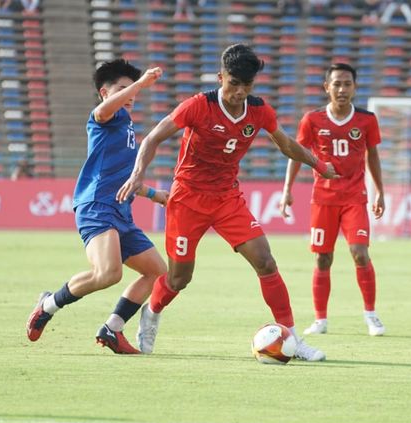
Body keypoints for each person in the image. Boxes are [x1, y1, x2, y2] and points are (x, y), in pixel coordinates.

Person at [116, 43, 338, 361]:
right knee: (179, 278)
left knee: (266, 261)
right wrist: (139, 175)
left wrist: (319, 166)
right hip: (188, 199)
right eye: (233, 84)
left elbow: (287, 144)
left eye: (246, 86)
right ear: (221, 77)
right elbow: (152, 138)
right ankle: (151, 311)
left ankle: (292, 338)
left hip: (227, 199)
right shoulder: (197, 106)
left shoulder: (259, 110)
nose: (239, 92)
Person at [26, 59, 169, 354]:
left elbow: (126, 178)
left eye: (132, 90)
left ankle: (113, 328)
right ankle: (48, 305)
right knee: (108, 274)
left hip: (121, 211)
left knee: (157, 270)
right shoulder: (101, 117)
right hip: (96, 206)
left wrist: (154, 194)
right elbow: (102, 111)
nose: (130, 94)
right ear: (104, 93)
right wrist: (141, 83)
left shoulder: (127, 127)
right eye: (121, 89)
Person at [279, 63, 386, 337]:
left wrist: (380, 192)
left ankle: (371, 316)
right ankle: (320, 320)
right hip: (323, 200)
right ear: (327, 87)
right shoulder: (312, 120)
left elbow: (372, 156)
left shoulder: (367, 120)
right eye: (336, 83)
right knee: (323, 259)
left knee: (360, 254)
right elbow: (297, 153)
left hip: (354, 198)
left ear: (354, 87)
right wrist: (287, 189)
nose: (342, 89)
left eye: (347, 83)